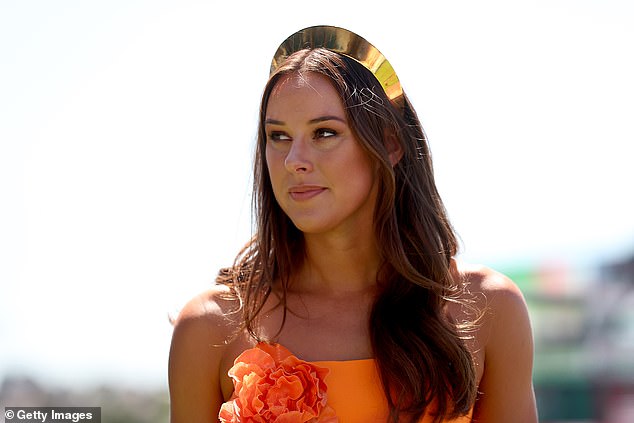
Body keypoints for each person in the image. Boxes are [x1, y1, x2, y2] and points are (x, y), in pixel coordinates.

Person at [168, 25, 538, 423]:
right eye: (278, 136)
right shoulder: (210, 327)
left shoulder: (486, 308)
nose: (294, 160)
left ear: (391, 144)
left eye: (324, 132)